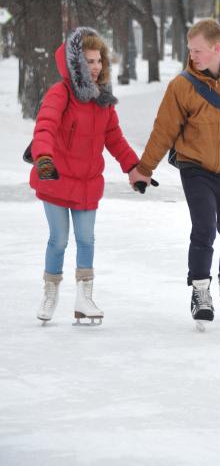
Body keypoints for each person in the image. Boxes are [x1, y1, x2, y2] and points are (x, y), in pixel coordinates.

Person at [129, 18, 220, 327]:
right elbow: (164, 130)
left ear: (216, 47)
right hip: (195, 166)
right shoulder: (182, 85)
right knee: (205, 227)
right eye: (190, 50)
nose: (192, 56)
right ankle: (200, 291)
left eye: (197, 51)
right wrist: (144, 169)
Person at [30, 27, 139, 324]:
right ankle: (50, 293)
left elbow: (115, 137)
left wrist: (134, 167)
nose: (95, 67)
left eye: (99, 61)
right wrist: (44, 160)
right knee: (59, 239)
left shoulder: (102, 99)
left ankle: (83, 299)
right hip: (56, 178)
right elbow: (45, 127)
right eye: (89, 61)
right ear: (76, 63)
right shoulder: (61, 93)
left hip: (87, 184)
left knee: (87, 239)